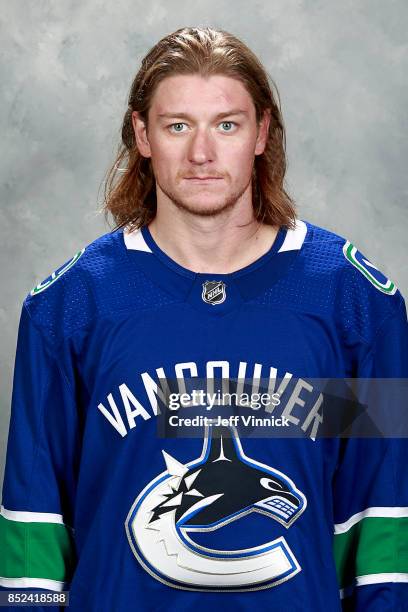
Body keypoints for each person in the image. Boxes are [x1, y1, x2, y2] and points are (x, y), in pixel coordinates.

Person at [1, 27, 407, 612]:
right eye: (177, 126)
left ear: (262, 132)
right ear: (142, 135)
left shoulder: (356, 303)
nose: (201, 153)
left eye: (226, 124)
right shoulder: (70, 306)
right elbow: (33, 529)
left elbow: (384, 517)